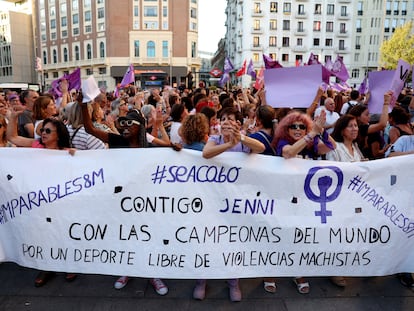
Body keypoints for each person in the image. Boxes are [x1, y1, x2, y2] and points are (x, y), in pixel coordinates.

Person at [79, 98, 173, 295]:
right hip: (122, 200)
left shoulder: (147, 143)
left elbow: (167, 147)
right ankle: (127, 269)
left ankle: (152, 273)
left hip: (147, 201)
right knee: (126, 234)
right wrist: (82, 105)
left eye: (130, 123)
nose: (124, 128)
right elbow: (89, 129)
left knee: (148, 236)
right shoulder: (117, 141)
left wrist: (173, 146)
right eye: (122, 124)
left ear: (139, 127)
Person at [199, 107, 265, 302]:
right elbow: (206, 153)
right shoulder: (215, 139)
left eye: (231, 119)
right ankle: (202, 279)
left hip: (236, 200)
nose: (226, 122)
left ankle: (233, 281)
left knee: (232, 240)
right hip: (214, 198)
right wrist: (228, 145)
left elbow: (260, 148)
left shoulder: (244, 139)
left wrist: (240, 139)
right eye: (223, 119)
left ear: (238, 123)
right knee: (208, 239)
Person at [6, 109, 76, 286]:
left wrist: (76, 156)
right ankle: (47, 267)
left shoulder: (67, 152)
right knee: (43, 232)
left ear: (58, 135)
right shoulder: (36, 146)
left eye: (47, 131)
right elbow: (13, 138)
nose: (43, 133)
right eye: (43, 130)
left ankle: (70, 263)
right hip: (39, 199)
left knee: (62, 230)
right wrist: (13, 118)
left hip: (61, 200)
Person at [272, 109, 336, 294]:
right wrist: (312, 133)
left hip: (306, 198)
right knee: (279, 233)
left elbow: (332, 147)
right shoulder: (283, 143)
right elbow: (290, 152)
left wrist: (321, 130)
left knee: (300, 235)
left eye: (302, 126)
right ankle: (270, 271)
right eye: (294, 126)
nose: (298, 129)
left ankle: (297, 271)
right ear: (286, 129)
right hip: (284, 196)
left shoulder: (313, 142)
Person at [348, 91, 391, 158]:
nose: (369, 116)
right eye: (367, 115)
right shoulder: (361, 128)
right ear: (358, 117)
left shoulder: (356, 127)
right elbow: (382, 124)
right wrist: (386, 103)